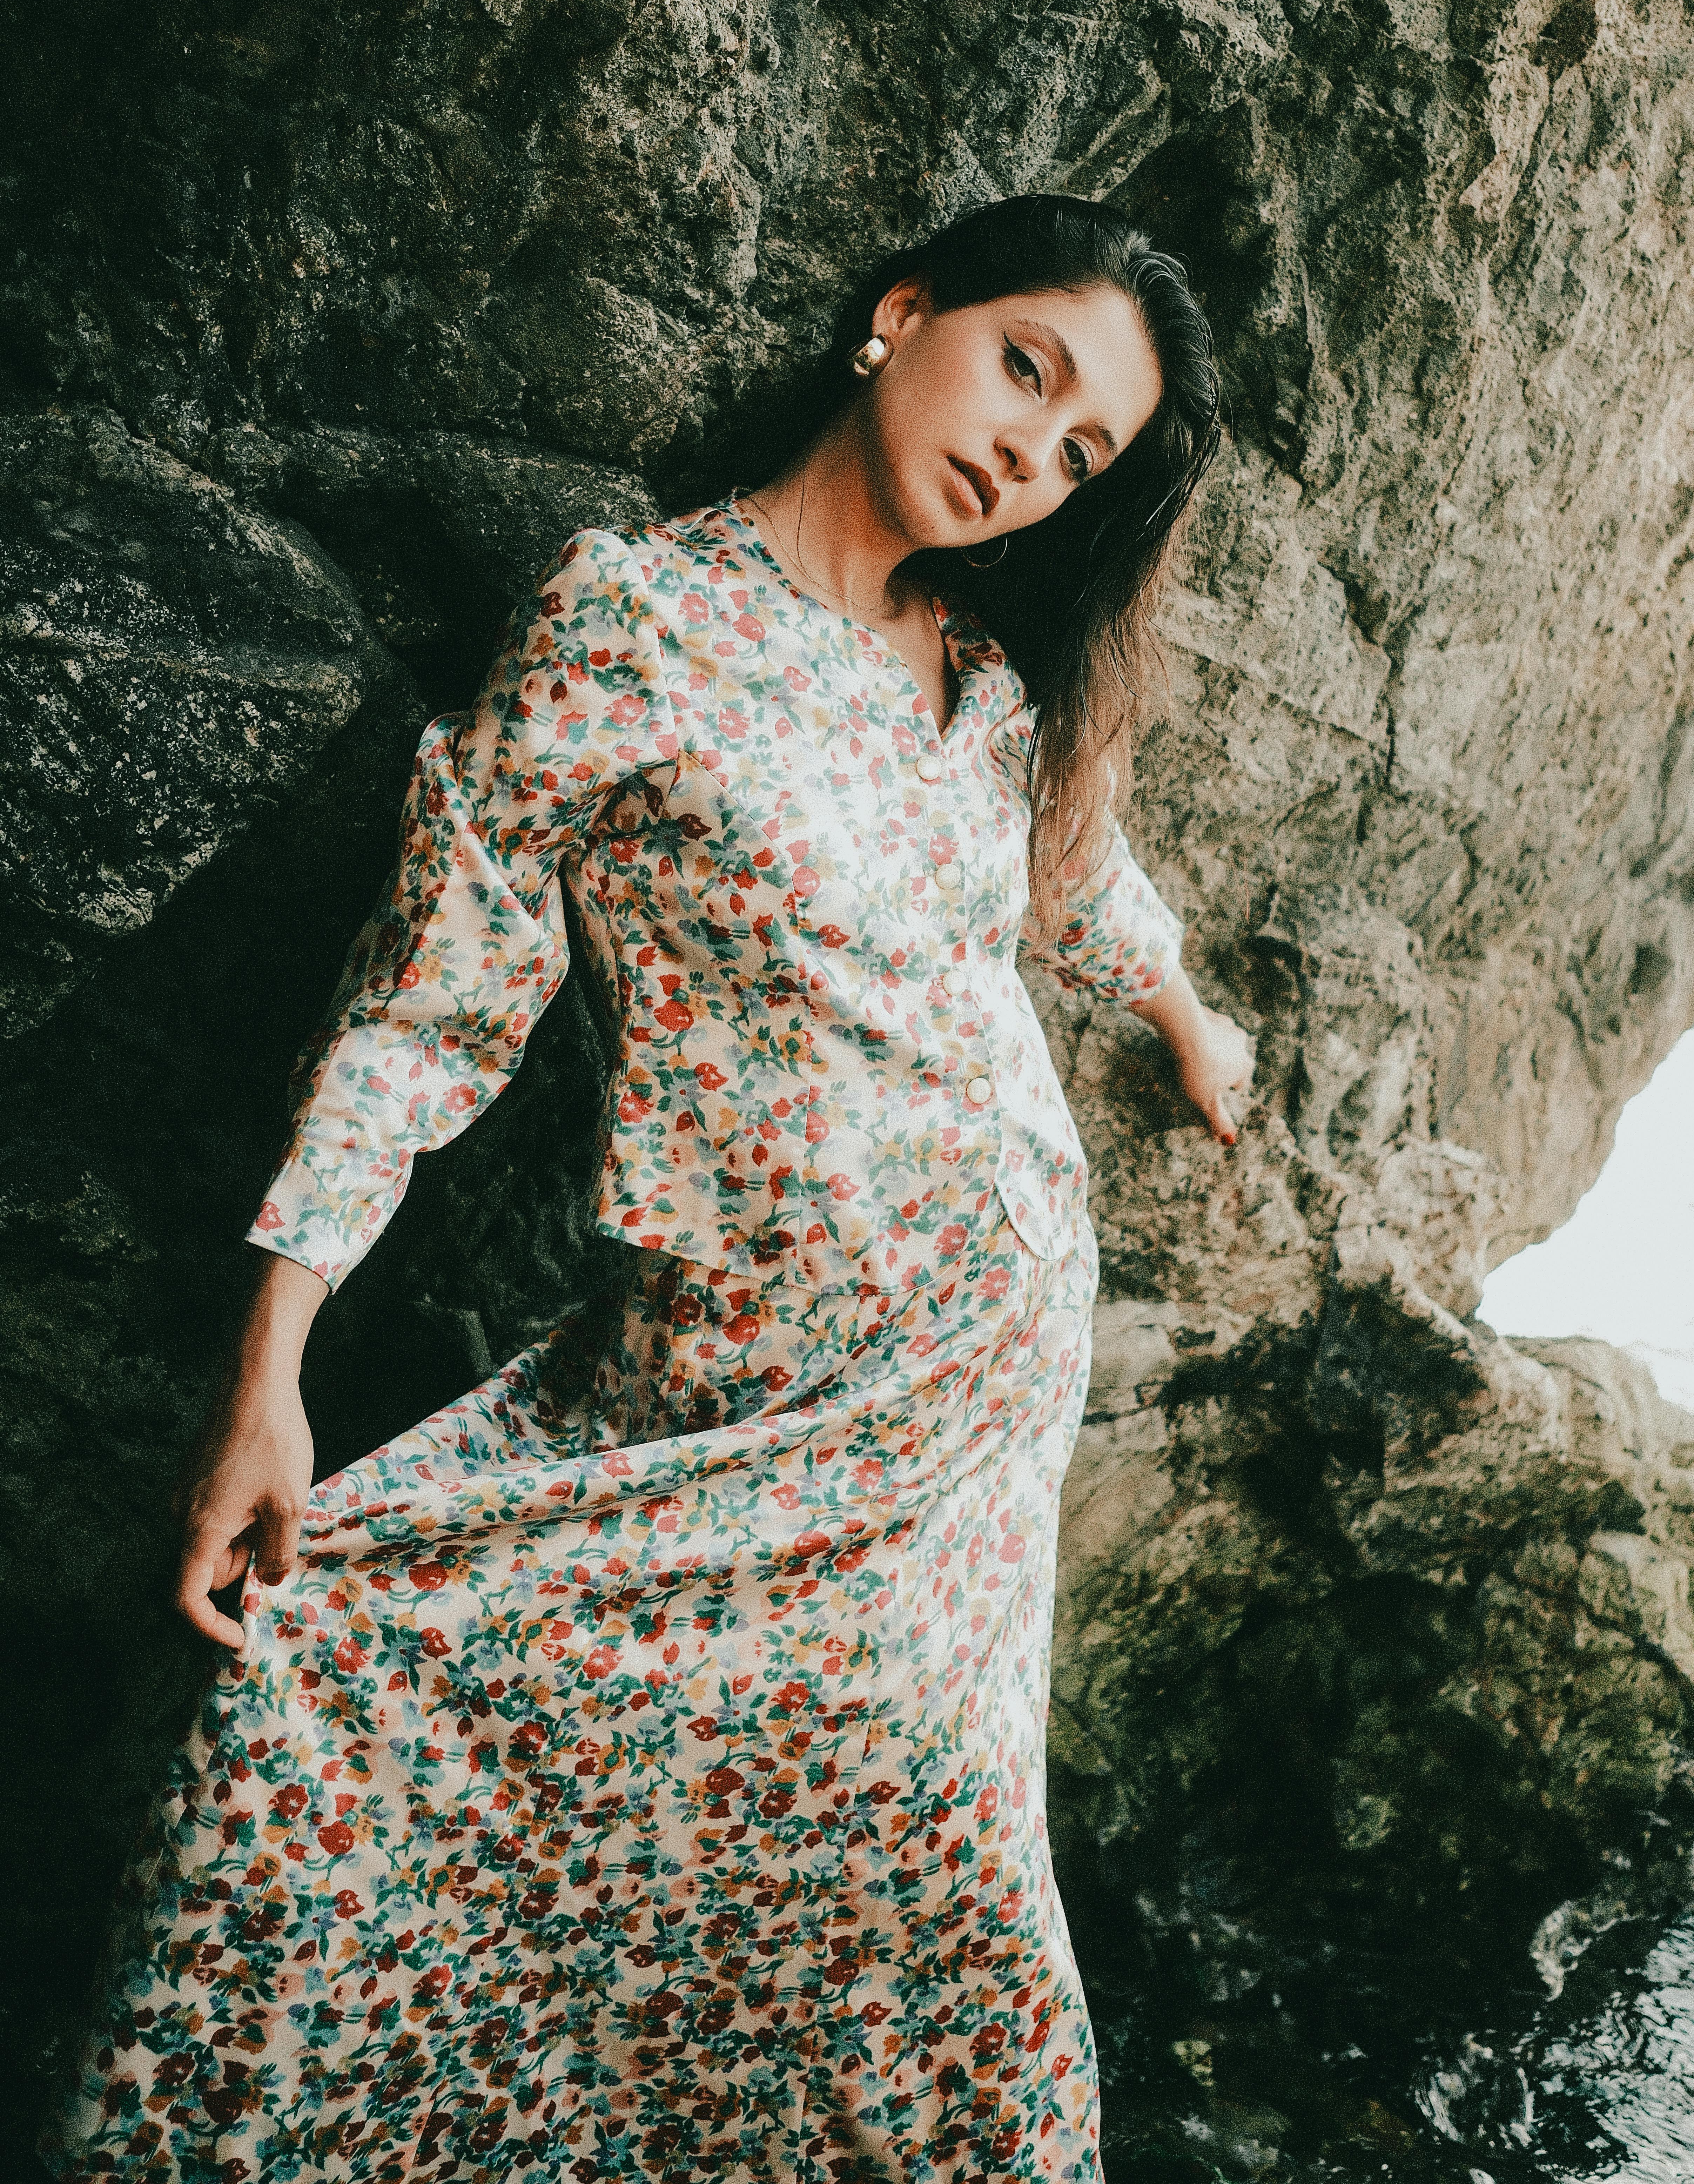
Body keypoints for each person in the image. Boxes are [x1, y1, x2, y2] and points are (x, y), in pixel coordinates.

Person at [49, 193, 1255, 2182]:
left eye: (1077, 453)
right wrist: (272, 1362)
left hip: (975, 1407)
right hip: (728, 1396)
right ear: (902, 314)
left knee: (941, 1937)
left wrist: (1189, 1020)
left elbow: (1086, 873)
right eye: (1025, 368)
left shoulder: (989, 678)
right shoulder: (638, 622)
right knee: (347, 1716)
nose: (1025, 452)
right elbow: (431, 1003)